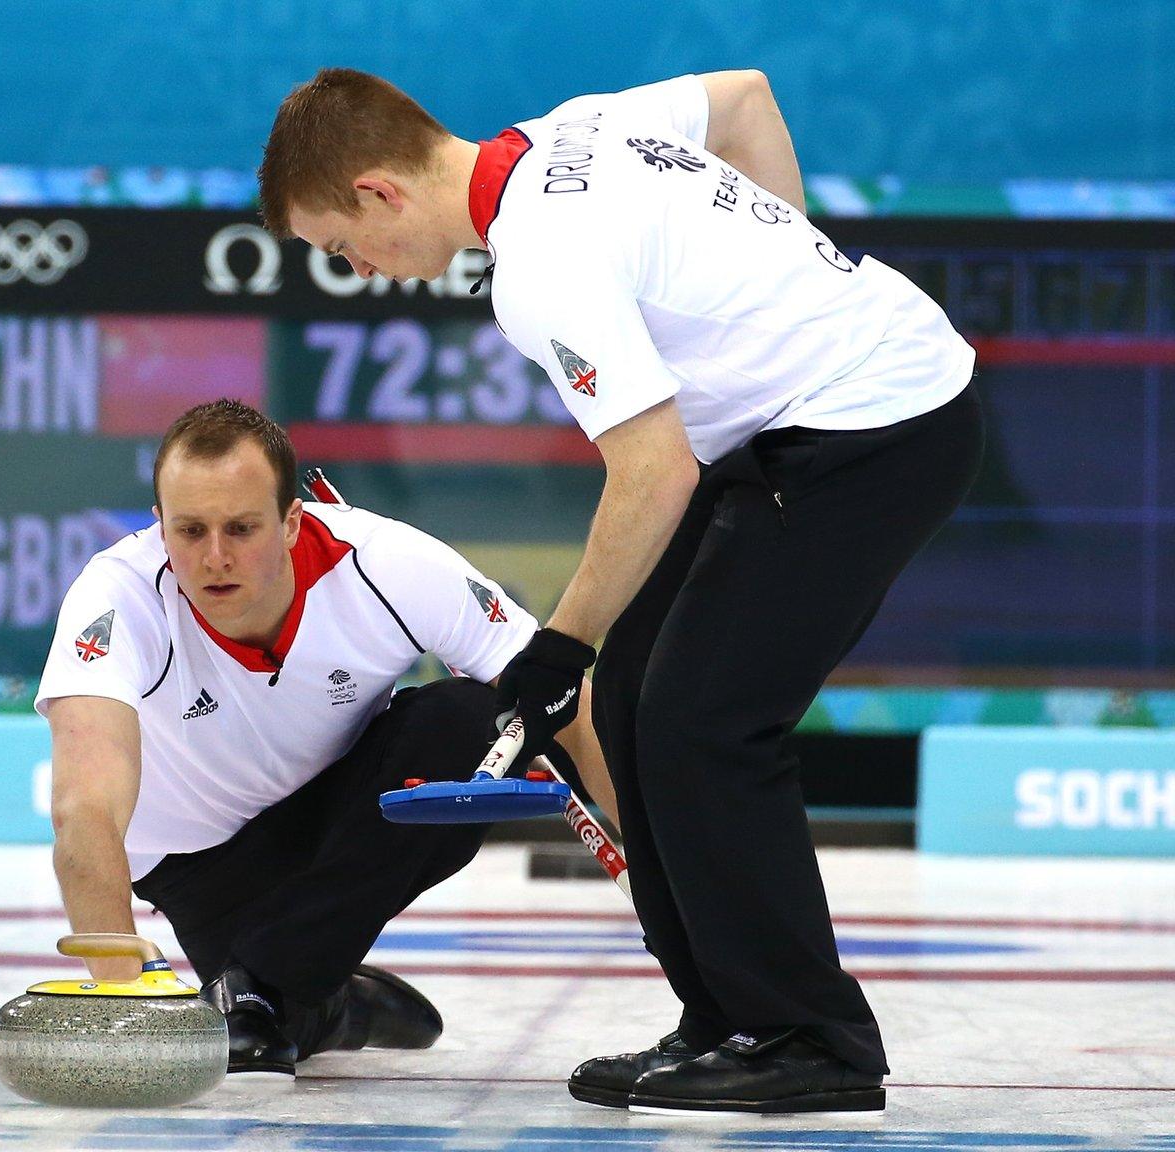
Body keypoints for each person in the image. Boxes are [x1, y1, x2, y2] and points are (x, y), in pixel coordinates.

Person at [258, 69, 983, 1114]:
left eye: (340, 246)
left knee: (704, 722)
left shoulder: (539, 266)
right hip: (804, 423)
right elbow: (743, 99)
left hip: (879, 421)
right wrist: (784, 269)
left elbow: (654, 471)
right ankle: (727, 1015)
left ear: (377, 191)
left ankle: (810, 1039)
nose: (357, 270)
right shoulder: (575, 127)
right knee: (638, 698)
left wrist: (558, 646)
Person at [36, 400, 617, 1080]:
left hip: (346, 815)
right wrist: (120, 1001)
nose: (214, 558)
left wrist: (673, 884)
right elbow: (85, 811)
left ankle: (279, 977)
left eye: (242, 528)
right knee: (262, 1029)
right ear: (159, 525)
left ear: (291, 521)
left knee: (470, 719)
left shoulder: (386, 563)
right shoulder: (117, 599)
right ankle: (338, 1003)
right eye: (189, 530)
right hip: (199, 866)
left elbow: (569, 707)